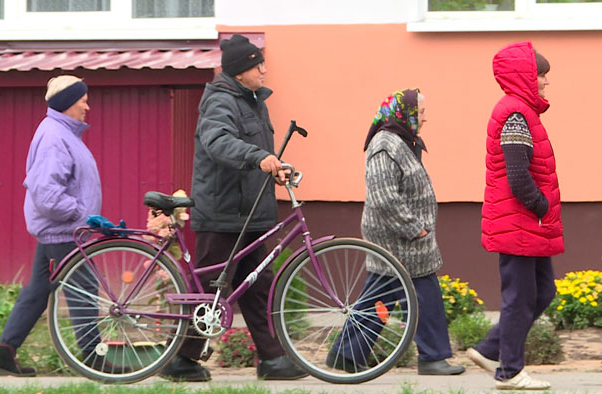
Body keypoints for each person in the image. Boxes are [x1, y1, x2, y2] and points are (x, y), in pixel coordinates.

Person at [158, 34, 307, 382]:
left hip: (249, 212)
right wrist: (259, 158)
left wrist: (275, 166)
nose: (265, 70)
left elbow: (258, 152)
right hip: (224, 212)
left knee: (259, 286)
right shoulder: (221, 101)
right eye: (258, 65)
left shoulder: (254, 101)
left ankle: (272, 359)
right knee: (210, 287)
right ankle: (180, 360)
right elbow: (219, 141)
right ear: (240, 71)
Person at [0, 75, 124, 376]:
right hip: (64, 230)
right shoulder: (54, 137)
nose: (87, 106)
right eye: (83, 101)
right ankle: (93, 358)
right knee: (83, 289)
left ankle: (4, 353)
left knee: (38, 290)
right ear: (66, 104)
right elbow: (46, 193)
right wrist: (78, 213)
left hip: (59, 229)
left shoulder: (61, 133)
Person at [326, 89, 465, 376]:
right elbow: (384, 196)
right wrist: (414, 227)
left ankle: (346, 354)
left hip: (406, 237)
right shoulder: (385, 145)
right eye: (421, 113)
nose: (425, 119)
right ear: (404, 114)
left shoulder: (400, 140)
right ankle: (432, 357)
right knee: (422, 293)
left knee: (382, 294)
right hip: (399, 237)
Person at [467, 41, 563, 390]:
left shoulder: (522, 111)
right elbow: (518, 176)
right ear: (526, 76)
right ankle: (509, 371)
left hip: (525, 224)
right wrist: (541, 205)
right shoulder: (515, 115)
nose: (546, 82)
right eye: (542, 76)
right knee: (520, 297)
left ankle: (491, 348)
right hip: (519, 223)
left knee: (543, 291)